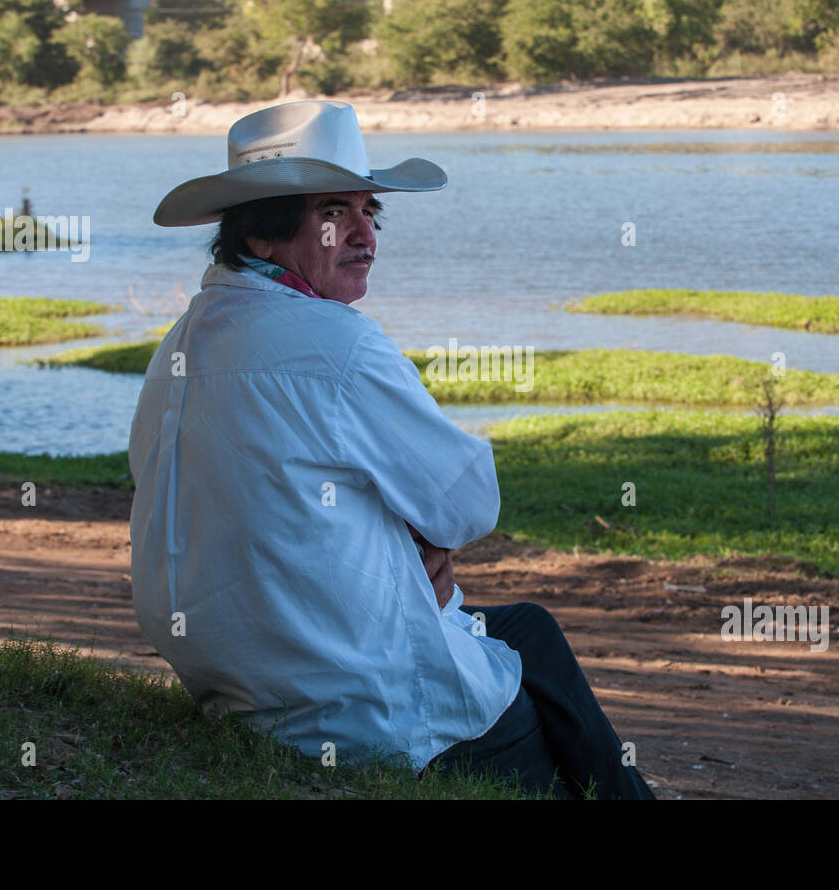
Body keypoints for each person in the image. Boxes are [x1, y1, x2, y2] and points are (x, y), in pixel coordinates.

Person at [129, 99, 653, 800]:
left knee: (529, 628)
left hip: (242, 682)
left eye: (369, 211)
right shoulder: (339, 345)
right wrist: (415, 541)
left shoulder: (180, 344)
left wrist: (397, 545)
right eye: (333, 213)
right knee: (520, 709)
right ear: (260, 234)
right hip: (360, 705)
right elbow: (469, 503)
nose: (364, 234)